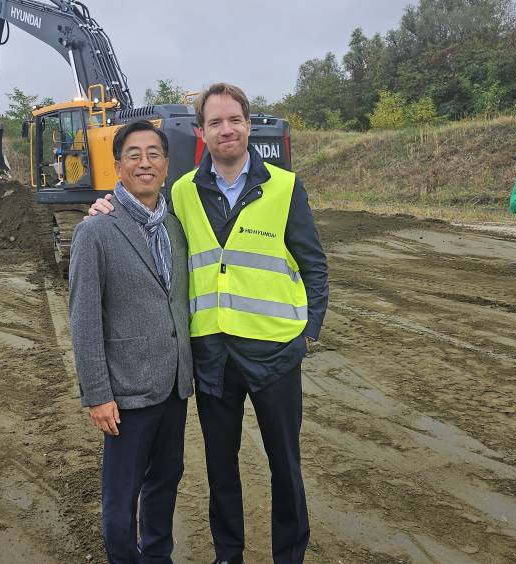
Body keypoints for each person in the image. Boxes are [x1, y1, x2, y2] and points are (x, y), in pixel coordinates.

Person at [91, 83, 328, 564]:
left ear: (248, 125)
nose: (226, 129)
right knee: (221, 469)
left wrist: (308, 333)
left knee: (285, 467)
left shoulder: (284, 187)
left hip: (276, 353)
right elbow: (146, 219)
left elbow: (314, 265)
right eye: (215, 122)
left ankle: (289, 555)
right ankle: (228, 555)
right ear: (201, 132)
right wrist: (104, 209)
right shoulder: (182, 191)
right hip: (213, 356)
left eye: (234, 119)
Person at [69, 120, 194, 564]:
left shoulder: (174, 227)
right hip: (126, 392)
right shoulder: (96, 231)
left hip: (173, 385)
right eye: (134, 155)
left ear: (166, 164)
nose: (145, 163)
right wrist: (97, 395)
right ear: (118, 165)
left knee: (165, 481)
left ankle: (157, 556)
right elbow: (83, 320)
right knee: (121, 498)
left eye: (154, 154)